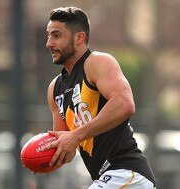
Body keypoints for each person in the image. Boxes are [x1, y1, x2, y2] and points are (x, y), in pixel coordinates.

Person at [43, 6, 156, 189]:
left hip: (128, 173)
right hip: (106, 178)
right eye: (48, 35)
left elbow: (125, 104)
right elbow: (67, 149)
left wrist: (75, 136)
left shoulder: (97, 62)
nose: (49, 43)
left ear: (79, 38)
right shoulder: (55, 89)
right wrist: (44, 157)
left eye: (56, 35)